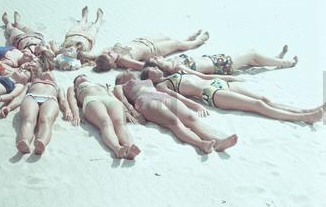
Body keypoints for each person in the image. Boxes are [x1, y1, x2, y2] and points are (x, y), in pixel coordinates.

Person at [140, 66, 324, 124]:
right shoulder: (162, 85)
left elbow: (203, 76)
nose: (156, 68)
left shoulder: (175, 72)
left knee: (263, 99)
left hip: (218, 83)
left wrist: (227, 78)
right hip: (211, 93)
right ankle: (303, 118)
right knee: (258, 106)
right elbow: (178, 98)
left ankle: (305, 110)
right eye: (152, 69)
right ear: (149, 77)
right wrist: (196, 106)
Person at [114, 72, 238, 154]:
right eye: (124, 73)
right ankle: (201, 144)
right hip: (145, 100)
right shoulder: (120, 86)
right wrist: (132, 111)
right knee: (173, 121)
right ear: (120, 79)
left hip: (162, 96)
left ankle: (217, 141)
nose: (128, 71)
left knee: (190, 117)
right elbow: (122, 99)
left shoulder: (145, 80)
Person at [66, 75, 141, 159]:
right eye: (79, 77)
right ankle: (117, 148)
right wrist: (76, 115)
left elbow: (113, 96)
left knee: (120, 123)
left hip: (111, 100)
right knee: (105, 122)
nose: (82, 76)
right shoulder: (72, 88)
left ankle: (131, 148)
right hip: (92, 99)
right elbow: (72, 100)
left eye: (84, 75)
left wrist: (126, 112)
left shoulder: (100, 84)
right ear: (75, 84)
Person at [1, 71, 70, 155]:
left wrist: (67, 109)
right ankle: (25, 141)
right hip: (31, 97)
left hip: (50, 99)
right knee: (28, 119)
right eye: (45, 71)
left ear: (54, 77)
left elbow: (63, 100)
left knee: (46, 120)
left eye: (50, 72)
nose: (47, 72)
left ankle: (42, 143)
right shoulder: (30, 83)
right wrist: (9, 107)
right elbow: (20, 98)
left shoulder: (58, 86)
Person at [81, 30, 210, 72]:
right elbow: (142, 66)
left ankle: (188, 39)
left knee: (171, 39)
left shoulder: (106, 54)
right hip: (153, 49)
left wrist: (84, 56)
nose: (109, 53)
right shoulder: (123, 60)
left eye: (107, 54)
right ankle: (198, 41)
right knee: (177, 45)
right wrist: (160, 64)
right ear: (113, 64)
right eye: (110, 56)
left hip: (145, 40)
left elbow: (92, 55)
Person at [145, 44, 297, 77]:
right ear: (158, 67)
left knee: (253, 61)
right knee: (252, 54)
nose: (157, 57)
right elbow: (201, 76)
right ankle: (287, 63)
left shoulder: (172, 61)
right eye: (156, 60)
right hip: (221, 65)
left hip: (217, 60)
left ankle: (275, 60)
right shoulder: (176, 68)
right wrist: (229, 79)